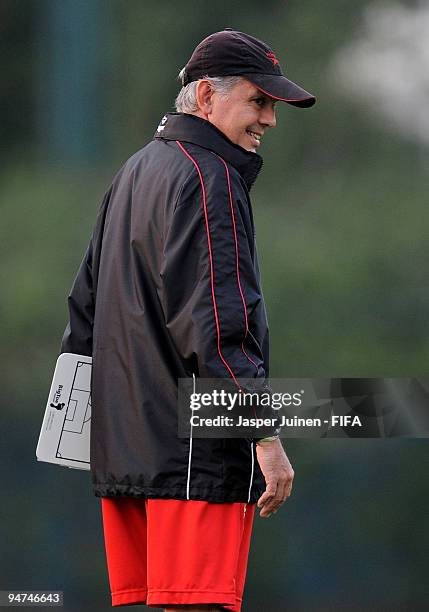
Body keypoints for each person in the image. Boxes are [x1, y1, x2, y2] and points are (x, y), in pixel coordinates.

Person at [61, 29, 315, 612]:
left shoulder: (135, 171)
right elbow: (220, 328)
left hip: (126, 462)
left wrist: (89, 438)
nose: (270, 120)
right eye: (259, 101)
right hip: (192, 463)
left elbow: (84, 312)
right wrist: (266, 436)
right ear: (206, 97)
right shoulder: (210, 177)